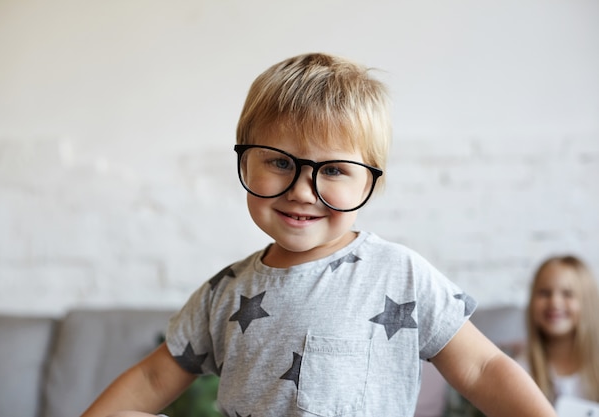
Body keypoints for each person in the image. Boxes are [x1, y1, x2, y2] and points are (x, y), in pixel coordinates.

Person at [80, 52, 556, 417]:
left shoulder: (400, 275)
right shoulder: (223, 293)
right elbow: (151, 376)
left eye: (331, 169)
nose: (303, 192)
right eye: (280, 162)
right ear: (245, 160)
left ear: (371, 181)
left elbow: (482, 368)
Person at [521, 255, 599, 404]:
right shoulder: (522, 370)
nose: (555, 302)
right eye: (544, 293)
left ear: (587, 302)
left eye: (568, 294)